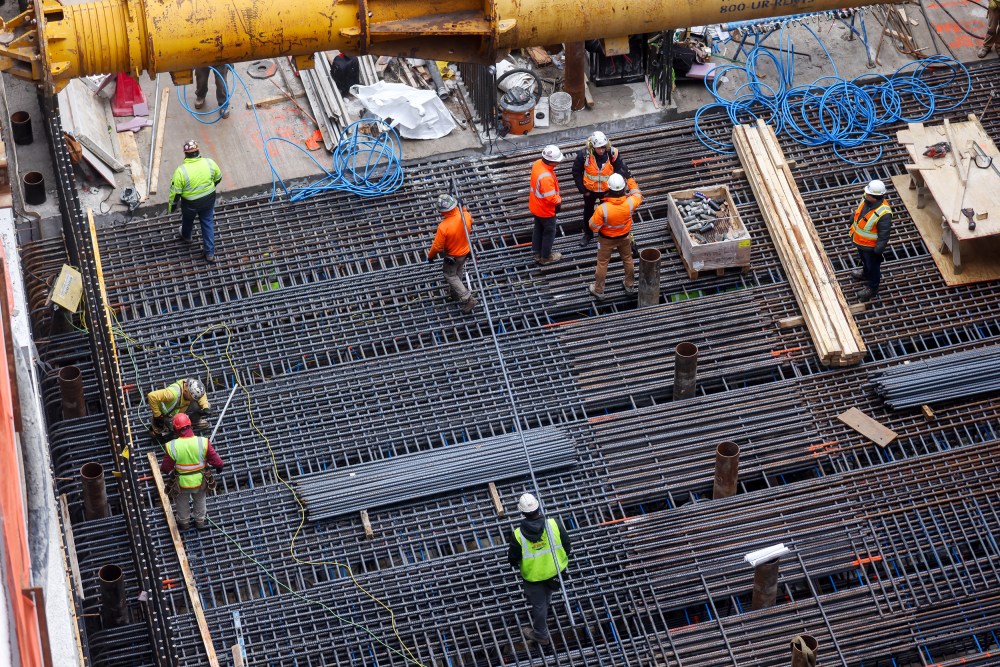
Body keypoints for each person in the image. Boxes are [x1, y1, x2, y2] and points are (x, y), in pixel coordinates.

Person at [507, 492, 570, 646]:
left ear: (522, 511)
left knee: (539, 605)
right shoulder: (554, 524)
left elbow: (513, 558)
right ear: (538, 506)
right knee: (546, 596)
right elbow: (567, 545)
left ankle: (541, 635)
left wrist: (517, 563)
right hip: (555, 571)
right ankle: (546, 604)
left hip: (533, 577)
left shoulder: (517, 534)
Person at [160, 413, 224, 531]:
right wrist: (219, 466)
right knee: (200, 500)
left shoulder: (172, 445)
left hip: (181, 483)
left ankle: (184, 523)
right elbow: (215, 459)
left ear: (175, 429)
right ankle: (200, 522)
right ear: (190, 425)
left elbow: (166, 468)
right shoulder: (203, 442)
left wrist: (166, 471)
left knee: (182, 503)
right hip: (200, 481)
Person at [572, 131, 633, 248]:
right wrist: (583, 190)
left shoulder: (612, 154)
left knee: (607, 213)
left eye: (603, 148)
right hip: (590, 191)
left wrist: (615, 189)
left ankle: (604, 233)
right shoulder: (584, 155)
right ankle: (588, 234)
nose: (601, 151)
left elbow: (620, 169)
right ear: (593, 147)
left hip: (607, 191)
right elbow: (576, 172)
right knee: (588, 212)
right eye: (598, 148)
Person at [587, 173, 643, 300]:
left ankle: (598, 290)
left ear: (609, 188)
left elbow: (593, 227)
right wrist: (629, 178)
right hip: (624, 237)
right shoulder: (631, 203)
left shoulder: (603, 209)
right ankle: (629, 285)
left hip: (606, 240)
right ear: (623, 188)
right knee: (628, 259)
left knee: (602, 263)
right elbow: (638, 194)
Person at [169, 140, 223, 263]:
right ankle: (210, 253)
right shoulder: (210, 163)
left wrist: (171, 208)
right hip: (209, 199)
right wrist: (209, 188)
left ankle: (186, 236)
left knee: (188, 219)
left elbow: (175, 193)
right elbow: (218, 177)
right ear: (198, 151)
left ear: (185, 154)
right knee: (207, 222)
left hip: (190, 204)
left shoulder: (180, 171)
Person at [427, 194, 479, 314]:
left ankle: (467, 298)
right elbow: (467, 218)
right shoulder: (466, 215)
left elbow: (437, 246)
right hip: (465, 252)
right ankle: (455, 294)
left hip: (453, 256)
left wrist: (431, 257)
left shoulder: (444, 227)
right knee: (458, 272)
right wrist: (463, 208)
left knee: (449, 275)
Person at [850, 179, 892, 302]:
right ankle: (865, 273)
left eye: (868, 194)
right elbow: (860, 211)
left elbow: (884, 235)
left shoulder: (884, 213)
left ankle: (873, 287)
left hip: (871, 247)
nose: (865, 194)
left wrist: (878, 250)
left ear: (876, 197)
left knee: (873, 266)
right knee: (864, 261)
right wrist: (852, 218)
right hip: (860, 242)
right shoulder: (866, 198)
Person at [528, 145, 565, 266]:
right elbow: (551, 198)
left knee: (538, 228)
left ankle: (536, 251)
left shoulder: (538, 163)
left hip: (536, 206)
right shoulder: (546, 177)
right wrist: (559, 200)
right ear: (551, 161)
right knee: (549, 232)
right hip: (546, 210)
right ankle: (545, 256)